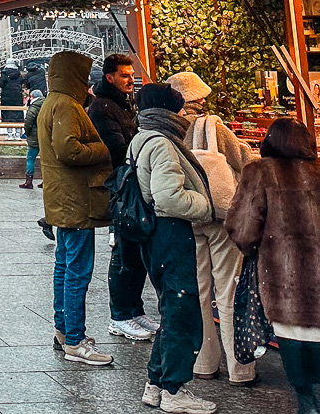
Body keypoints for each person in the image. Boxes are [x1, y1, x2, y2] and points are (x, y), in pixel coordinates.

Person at [227, 118, 320, 414]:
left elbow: (243, 227)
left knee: (296, 347)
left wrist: (254, 248)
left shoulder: (260, 172)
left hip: (286, 282)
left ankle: (307, 403)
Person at [131, 83, 216, 414]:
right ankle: (174, 389)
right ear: (168, 112)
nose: (185, 115)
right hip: (169, 232)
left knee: (170, 307)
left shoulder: (141, 138)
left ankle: (156, 383)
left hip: (151, 235)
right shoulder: (163, 144)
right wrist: (204, 204)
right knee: (182, 311)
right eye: (180, 109)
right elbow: (167, 198)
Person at [168, 71, 257, 387]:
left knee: (200, 292)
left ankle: (204, 363)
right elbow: (245, 159)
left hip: (188, 218)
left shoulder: (169, 130)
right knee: (228, 292)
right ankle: (239, 368)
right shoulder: (213, 126)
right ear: (200, 98)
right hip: (220, 219)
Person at [37, 50, 114, 367]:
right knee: (78, 272)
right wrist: (102, 148)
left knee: (64, 267)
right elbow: (68, 149)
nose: (86, 83)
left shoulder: (51, 102)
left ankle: (63, 330)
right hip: (77, 201)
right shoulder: (67, 105)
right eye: (83, 77)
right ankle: (75, 340)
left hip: (63, 199)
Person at [88, 53, 156, 344]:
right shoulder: (103, 108)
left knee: (136, 251)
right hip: (122, 187)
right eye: (125, 75)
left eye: (131, 74)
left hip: (131, 184)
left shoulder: (123, 103)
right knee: (124, 254)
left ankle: (134, 309)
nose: (131, 79)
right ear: (110, 78)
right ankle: (120, 315)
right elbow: (117, 148)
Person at [20, 89, 44, 188]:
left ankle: (29, 181)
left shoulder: (33, 107)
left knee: (30, 159)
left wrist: (27, 133)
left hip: (34, 137)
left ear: (32, 97)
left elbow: (28, 123)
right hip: (45, 137)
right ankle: (46, 181)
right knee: (45, 160)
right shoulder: (46, 105)